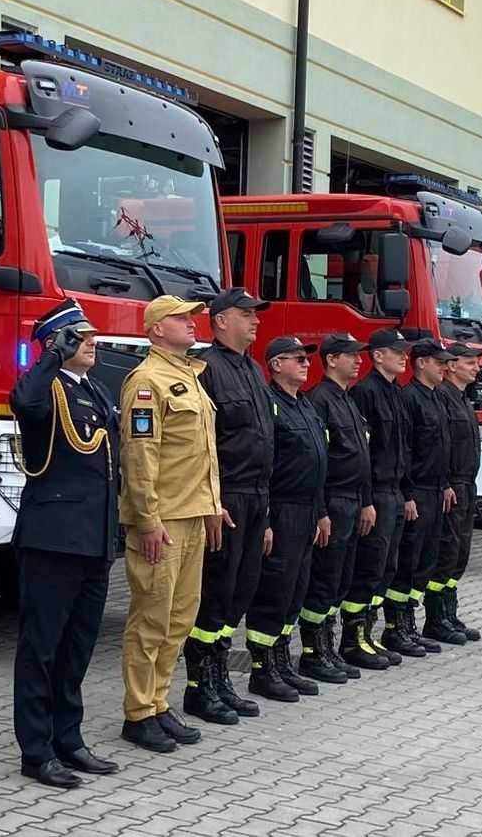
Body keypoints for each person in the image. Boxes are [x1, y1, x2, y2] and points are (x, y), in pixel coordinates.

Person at [8, 300, 120, 790]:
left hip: (92, 541)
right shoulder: (46, 386)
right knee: (43, 648)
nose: (92, 342)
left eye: (91, 336)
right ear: (59, 342)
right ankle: (36, 751)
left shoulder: (93, 389)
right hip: (53, 540)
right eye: (80, 336)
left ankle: (67, 739)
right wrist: (52, 354)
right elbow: (24, 403)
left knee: (77, 648)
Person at [119, 295, 224, 753]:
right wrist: (146, 519)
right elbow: (140, 455)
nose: (192, 325)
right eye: (182, 318)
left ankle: (159, 704)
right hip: (162, 522)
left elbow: (202, 455)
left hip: (193, 515)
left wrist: (213, 505)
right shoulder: (147, 382)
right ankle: (138, 713)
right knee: (152, 618)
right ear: (157, 328)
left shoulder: (191, 377)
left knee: (179, 618)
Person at [182, 287, 273, 725]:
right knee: (215, 592)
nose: (255, 320)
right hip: (226, 497)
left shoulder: (252, 370)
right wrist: (210, 502)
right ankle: (199, 685)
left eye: (256, 314)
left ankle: (220, 677)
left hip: (256, 498)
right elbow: (201, 447)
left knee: (241, 590)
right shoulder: (206, 368)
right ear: (220, 320)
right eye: (246, 314)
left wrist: (268, 513)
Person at [244, 336, 330, 702]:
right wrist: (265, 520)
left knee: (295, 590)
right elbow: (262, 466)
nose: (306, 364)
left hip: (307, 509)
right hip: (281, 508)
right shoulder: (270, 404)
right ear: (276, 365)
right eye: (297, 359)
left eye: (306, 359)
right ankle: (262, 670)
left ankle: (281, 662)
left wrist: (322, 512)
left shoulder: (305, 405)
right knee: (274, 591)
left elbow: (318, 463)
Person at [299, 333, 375, 684]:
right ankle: (313, 653)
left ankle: (328, 648)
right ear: (331, 360)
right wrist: (321, 511)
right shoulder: (320, 400)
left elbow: (360, 456)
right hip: (332, 499)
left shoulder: (347, 400)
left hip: (352, 500)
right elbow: (318, 462)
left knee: (340, 579)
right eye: (351, 355)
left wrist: (366, 501)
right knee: (324, 579)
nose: (359, 361)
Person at [341, 327, 414, 669]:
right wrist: (367, 499)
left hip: (395, 492)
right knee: (368, 567)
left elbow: (404, 448)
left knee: (386, 567)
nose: (403, 357)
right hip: (376, 493)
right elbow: (363, 453)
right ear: (378, 355)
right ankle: (352, 640)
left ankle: (367, 634)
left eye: (404, 352)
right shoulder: (366, 393)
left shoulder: (395, 392)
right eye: (396, 351)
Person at [384, 338, 460, 655]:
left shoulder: (436, 398)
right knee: (408, 561)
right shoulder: (410, 398)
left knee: (426, 561)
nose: (444, 367)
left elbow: (439, 449)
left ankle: (410, 625)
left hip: (434, 490)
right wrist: (409, 492)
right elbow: (407, 451)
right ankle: (395, 629)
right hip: (416, 492)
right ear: (421, 363)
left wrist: (444, 483)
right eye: (438, 362)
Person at [427, 342, 482, 643]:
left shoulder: (461, 399)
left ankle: (449, 613)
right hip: (453, 486)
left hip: (467, 485)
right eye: (469, 362)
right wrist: (446, 483)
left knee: (460, 552)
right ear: (451, 366)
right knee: (447, 551)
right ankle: (436, 618)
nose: (476, 367)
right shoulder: (445, 399)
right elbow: (443, 447)